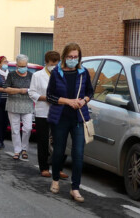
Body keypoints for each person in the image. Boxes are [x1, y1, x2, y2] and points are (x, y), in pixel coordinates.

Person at [46, 42, 93, 203]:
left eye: (76, 57)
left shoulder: (83, 72)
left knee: (78, 154)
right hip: (60, 118)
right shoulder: (57, 73)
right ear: (65, 56)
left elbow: (90, 92)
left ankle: (75, 188)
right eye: (70, 57)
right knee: (59, 151)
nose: (73, 59)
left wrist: (83, 101)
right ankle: (55, 180)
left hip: (79, 117)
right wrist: (67, 101)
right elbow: (50, 95)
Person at [28, 51, 69, 179]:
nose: (54, 66)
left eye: (57, 64)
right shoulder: (37, 75)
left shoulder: (63, 75)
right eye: (52, 64)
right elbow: (32, 92)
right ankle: (44, 167)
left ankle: (58, 168)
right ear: (46, 63)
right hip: (42, 112)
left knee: (59, 141)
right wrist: (44, 98)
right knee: (43, 141)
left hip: (58, 112)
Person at [4, 54, 34, 160]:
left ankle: (24, 148)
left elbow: (34, 90)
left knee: (28, 128)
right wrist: (20, 90)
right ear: (17, 65)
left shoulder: (31, 75)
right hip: (13, 105)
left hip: (27, 105)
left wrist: (27, 91)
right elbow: (6, 89)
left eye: (24, 65)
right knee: (15, 129)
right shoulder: (11, 75)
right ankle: (17, 150)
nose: (22, 68)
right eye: (20, 66)